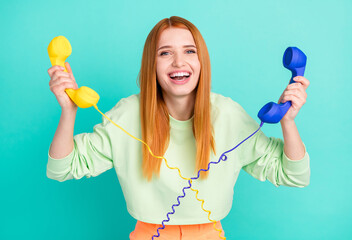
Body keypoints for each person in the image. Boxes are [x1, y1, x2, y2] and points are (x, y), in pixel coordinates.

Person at [46, 16, 310, 240]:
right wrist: (68, 112)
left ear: (201, 60)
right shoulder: (127, 115)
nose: (178, 62)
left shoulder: (228, 115)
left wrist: (288, 121)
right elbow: (62, 168)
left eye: (189, 51)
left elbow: (294, 175)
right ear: (152, 63)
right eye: (165, 53)